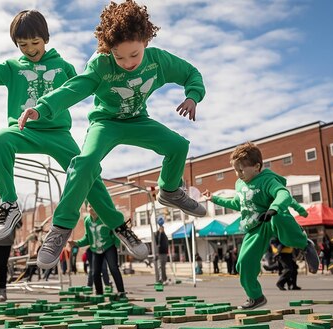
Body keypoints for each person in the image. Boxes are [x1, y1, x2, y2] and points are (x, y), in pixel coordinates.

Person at [17, 0, 206, 269]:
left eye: (134, 55)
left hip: (137, 120)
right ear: (109, 50)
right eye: (120, 57)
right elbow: (74, 88)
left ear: (145, 43)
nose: (128, 63)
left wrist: (192, 96)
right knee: (84, 163)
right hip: (105, 122)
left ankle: (170, 190)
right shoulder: (101, 65)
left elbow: (191, 73)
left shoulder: (159, 61)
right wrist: (42, 108)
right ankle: (60, 228)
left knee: (177, 145)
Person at [0, 9, 147, 263]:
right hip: (24, 131)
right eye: (23, 45)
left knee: (89, 172)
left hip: (58, 134)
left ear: (46, 39)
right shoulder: (11, 67)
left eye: (35, 43)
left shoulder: (62, 67)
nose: (30, 49)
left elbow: (88, 85)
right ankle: (9, 206)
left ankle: (120, 227)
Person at [203, 142, 319, 310]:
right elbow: (238, 203)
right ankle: (255, 296)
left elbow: (283, 194)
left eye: (241, 170)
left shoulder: (267, 180)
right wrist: (214, 199)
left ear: (257, 166)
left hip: (272, 216)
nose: (238, 174)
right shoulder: (240, 184)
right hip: (255, 227)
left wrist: (274, 208)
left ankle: (305, 244)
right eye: (235, 170)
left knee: (279, 218)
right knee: (243, 263)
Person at [70, 204, 125, 297]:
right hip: (95, 249)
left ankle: (121, 292)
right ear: (87, 209)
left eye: (94, 205)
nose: (92, 208)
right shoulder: (87, 221)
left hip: (109, 246)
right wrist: (77, 243)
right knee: (95, 272)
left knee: (113, 268)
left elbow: (115, 230)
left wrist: (117, 244)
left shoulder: (105, 217)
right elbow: (88, 238)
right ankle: (99, 293)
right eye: (90, 206)